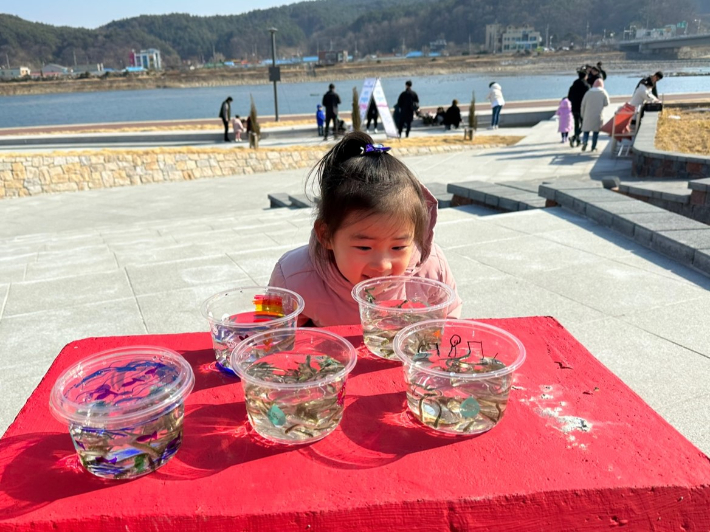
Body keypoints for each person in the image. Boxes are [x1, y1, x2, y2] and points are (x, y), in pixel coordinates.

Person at [268, 131, 462, 327]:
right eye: (364, 248)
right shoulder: (291, 276)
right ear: (326, 235)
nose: (382, 265)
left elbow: (450, 318)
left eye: (398, 247)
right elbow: (269, 329)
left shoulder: (431, 268)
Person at [579, 78, 610, 152]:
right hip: (598, 115)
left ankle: (585, 141)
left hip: (587, 115)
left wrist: (582, 114)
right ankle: (593, 147)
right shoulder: (603, 92)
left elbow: (583, 104)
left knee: (586, 131)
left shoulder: (588, 92)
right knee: (595, 133)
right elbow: (607, 103)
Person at [567, 69, 590, 147]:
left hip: (574, 107)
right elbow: (588, 98)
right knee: (584, 124)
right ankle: (574, 137)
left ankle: (577, 140)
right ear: (585, 76)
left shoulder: (573, 86)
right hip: (583, 108)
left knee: (576, 123)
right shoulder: (586, 86)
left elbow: (569, 97)